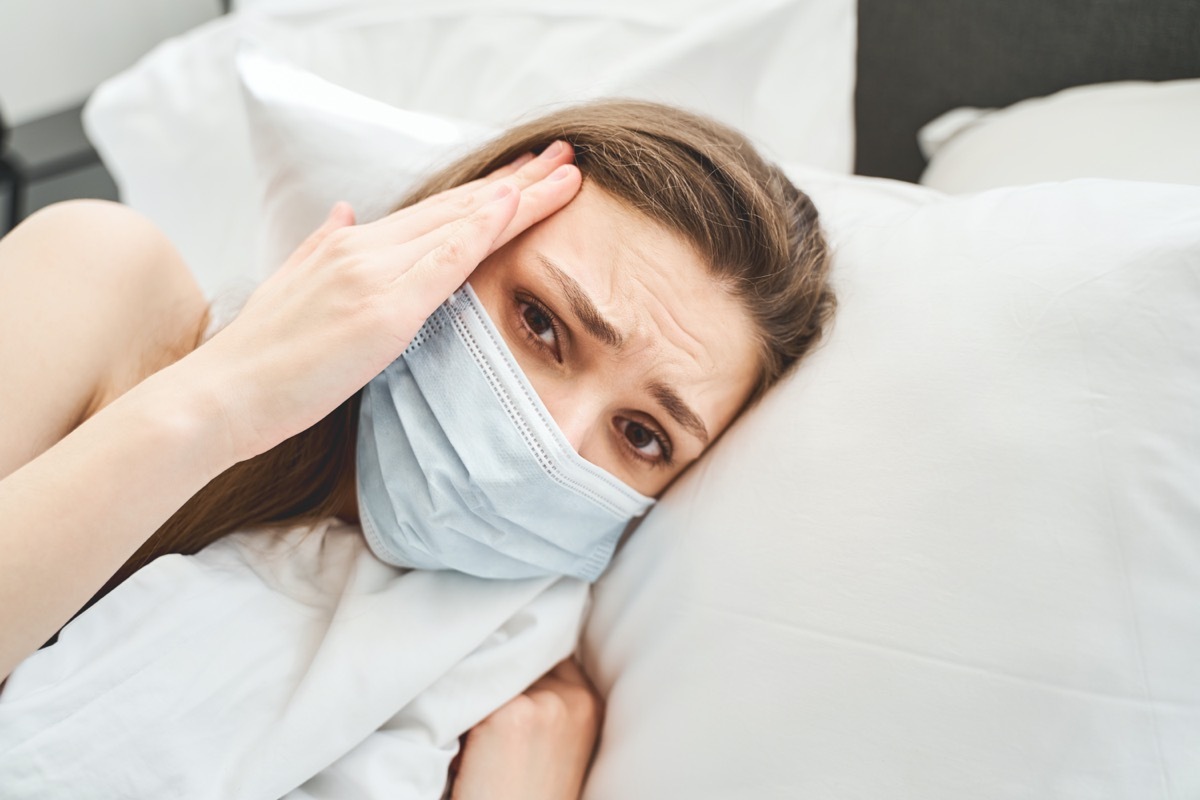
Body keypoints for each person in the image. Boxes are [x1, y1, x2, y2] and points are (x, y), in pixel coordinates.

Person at [0, 99, 834, 798]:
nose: (551, 440)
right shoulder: (108, 289)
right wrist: (224, 401)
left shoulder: (510, 678)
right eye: (540, 322)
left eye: (641, 434)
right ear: (445, 239)